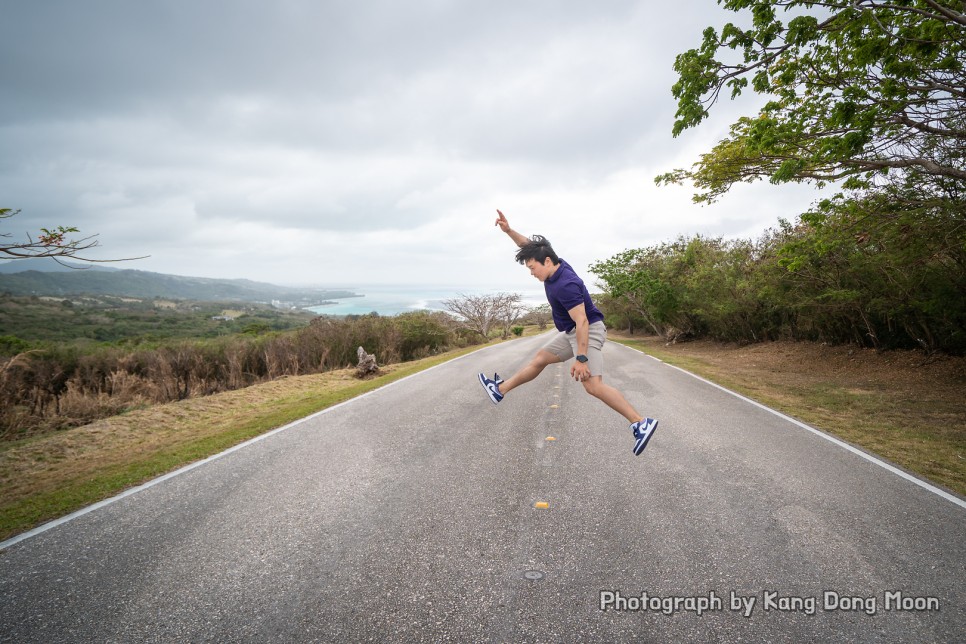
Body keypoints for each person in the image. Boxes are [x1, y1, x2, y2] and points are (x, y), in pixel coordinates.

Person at [478, 209, 659, 455]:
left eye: (533, 268)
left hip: (588, 331)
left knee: (593, 386)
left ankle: (640, 422)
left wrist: (581, 358)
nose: (532, 273)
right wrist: (509, 231)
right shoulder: (554, 264)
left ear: (548, 262)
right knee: (541, 358)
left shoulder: (565, 285)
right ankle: (499, 391)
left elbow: (583, 321)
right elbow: (531, 247)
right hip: (572, 331)